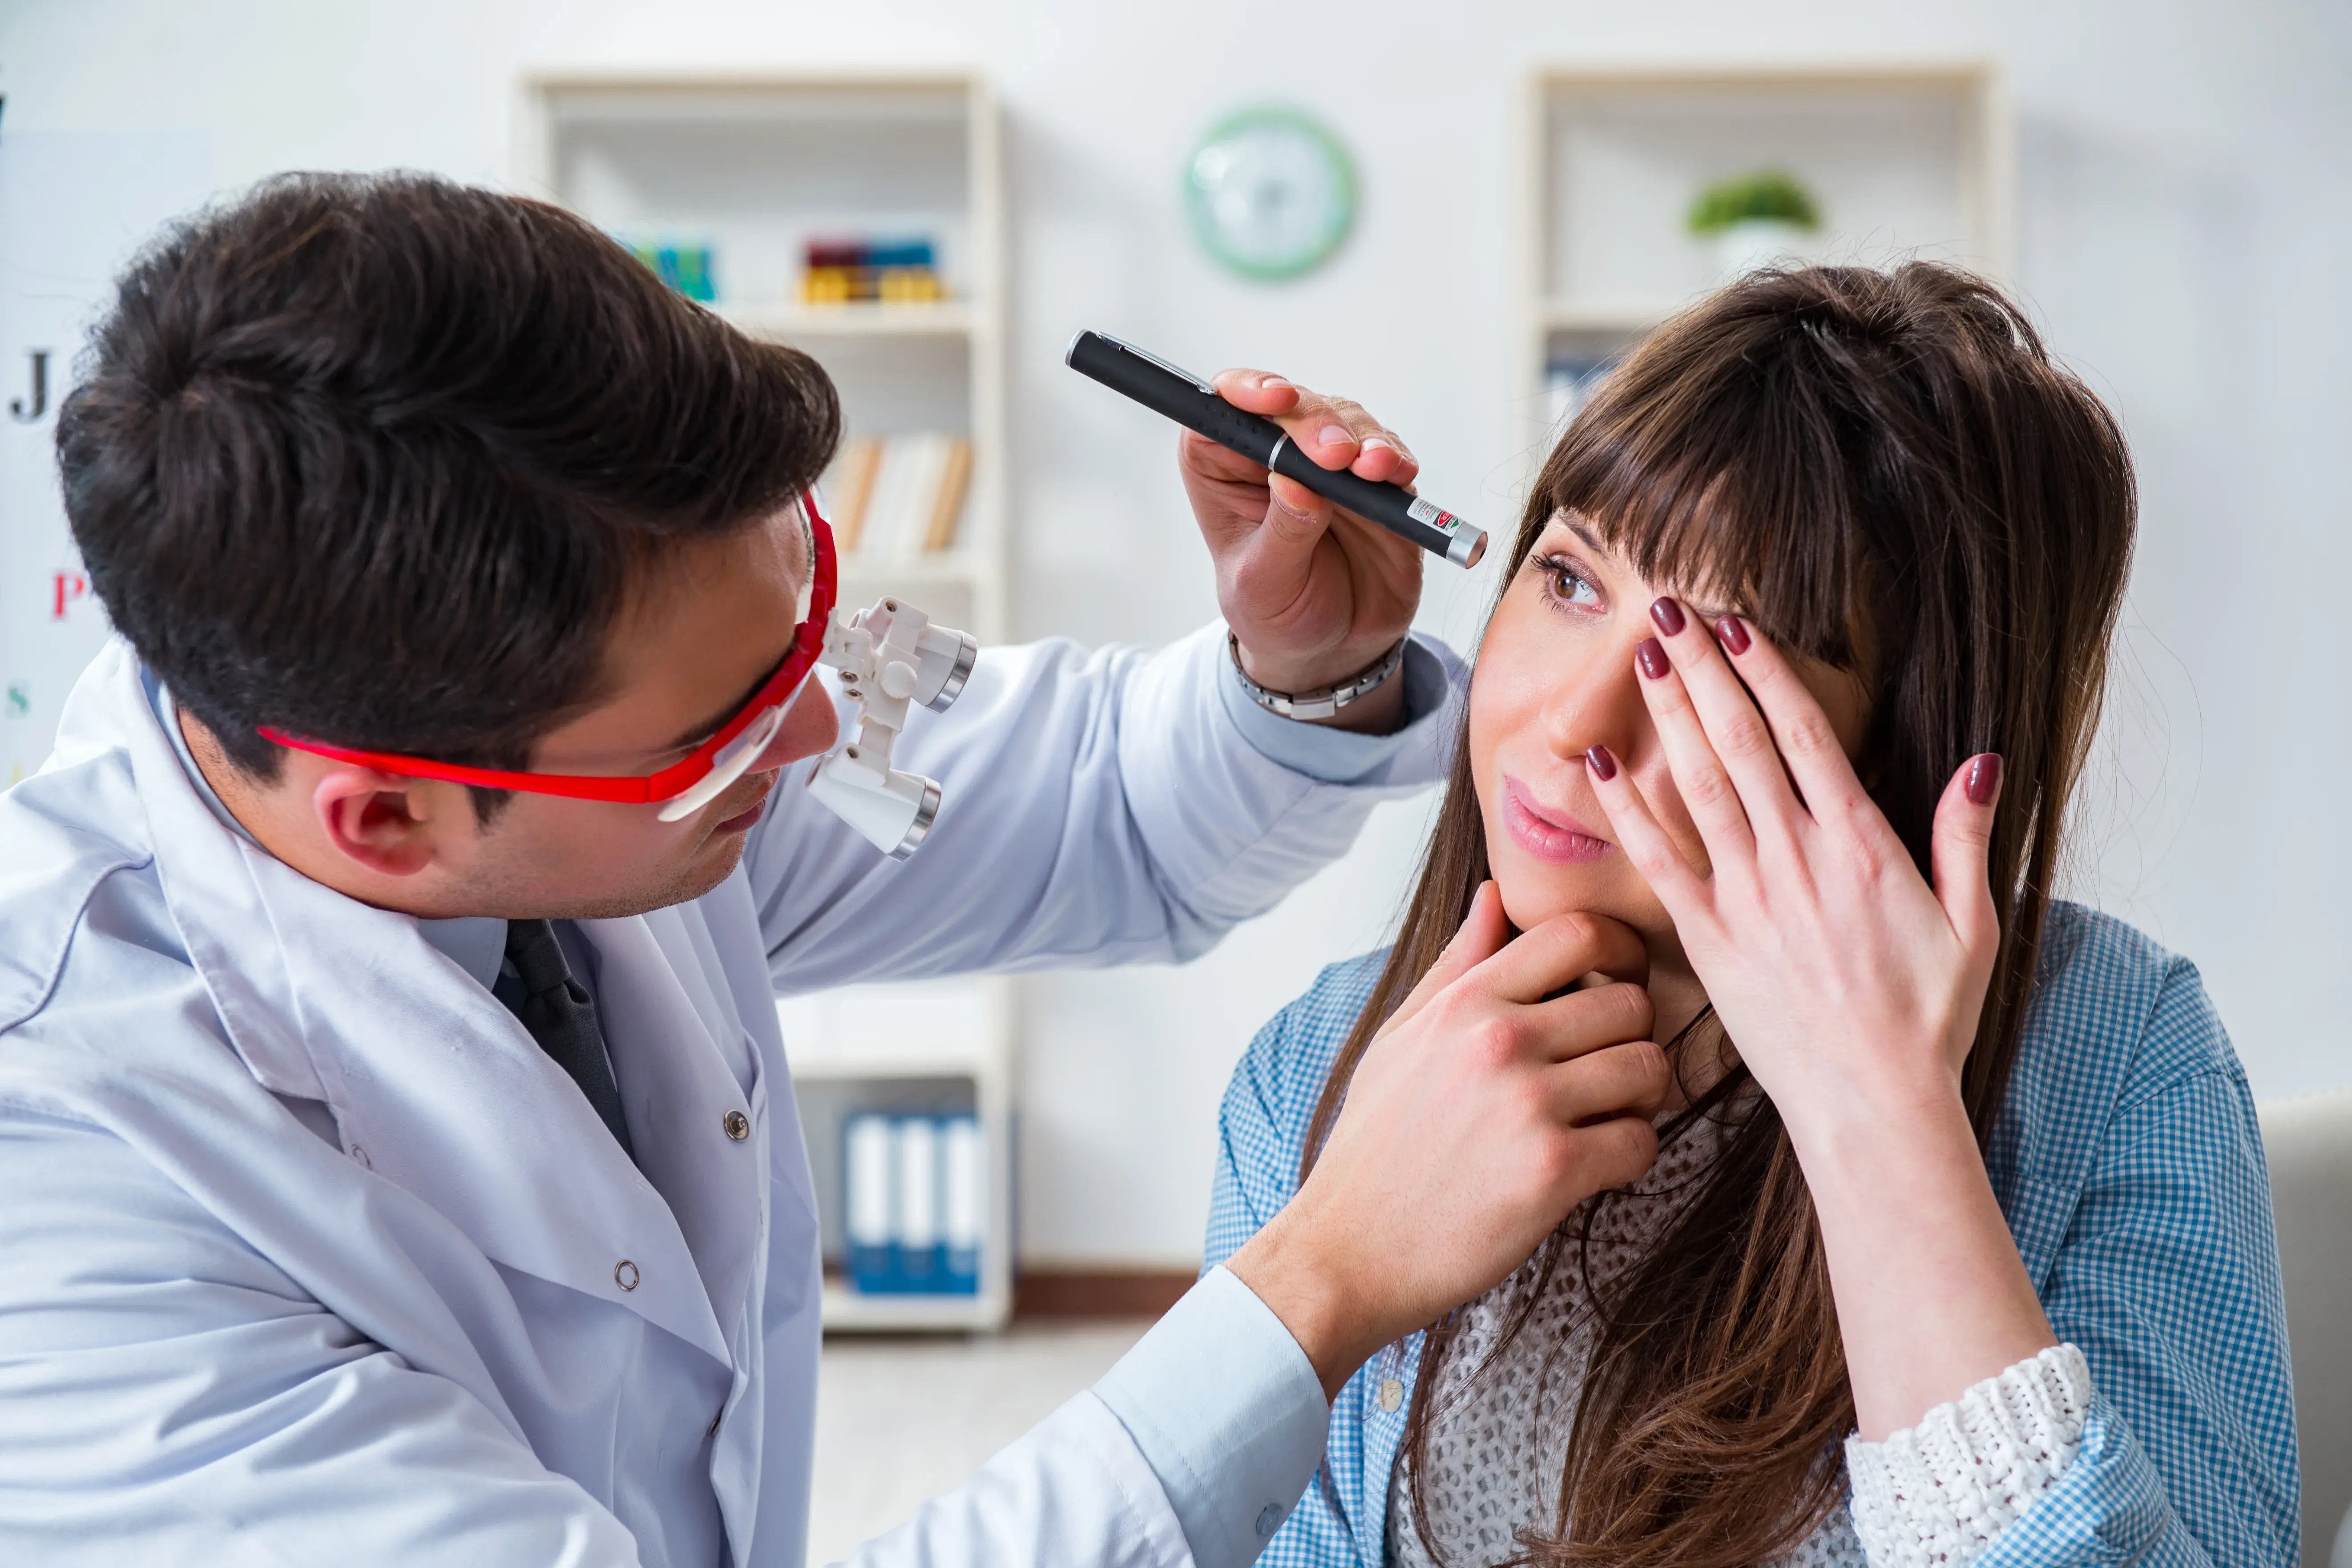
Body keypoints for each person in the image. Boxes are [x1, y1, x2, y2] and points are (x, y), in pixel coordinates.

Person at [0, 172, 1676, 1568]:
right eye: (729, 730)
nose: (816, 734)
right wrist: (1323, 1278)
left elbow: (1096, 808)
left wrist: (1298, 671)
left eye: (801, 600)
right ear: (389, 821)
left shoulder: (572, 749)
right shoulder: (72, 1211)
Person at [1206, 263, 2300, 1566]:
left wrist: (1881, 1121)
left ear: (1901, 752)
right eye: (1569, 582)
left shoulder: (2118, 1054)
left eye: (1721, 662)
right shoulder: (1311, 1072)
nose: (1573, 724)